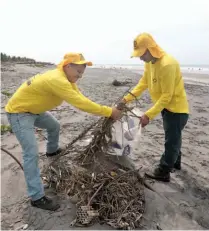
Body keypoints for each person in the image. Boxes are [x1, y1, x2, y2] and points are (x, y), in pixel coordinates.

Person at [5, 52, 122, 211]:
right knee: (31, 152)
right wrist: (109, 111)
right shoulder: (57, 79)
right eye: (78, 72)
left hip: (35, 110)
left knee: (54, 126)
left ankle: (52, 152)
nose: (80, 76)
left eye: (82, 73)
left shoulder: (67, 78)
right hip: (19, 113)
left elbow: (79, 95)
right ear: (68, 66)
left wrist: (107, 109)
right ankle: (37, 197)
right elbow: (80, 103)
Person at [121, 33, 189, 182]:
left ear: (151, 48)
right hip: (166, 108)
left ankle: (164, 171)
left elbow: (167, 96)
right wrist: (125, 99)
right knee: (173, 136)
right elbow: (143, 84)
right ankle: (175, 163)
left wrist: (148, 115)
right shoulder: (149, 63)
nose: (140, 58)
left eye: (142, 54)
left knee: (171, 140)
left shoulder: (167, 64)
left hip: (177, 110)